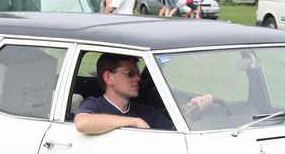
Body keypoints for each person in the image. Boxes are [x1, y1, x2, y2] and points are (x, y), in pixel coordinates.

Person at [74, 54, 213, 134]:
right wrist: (134, 122)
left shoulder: (146, 112)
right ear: (108, 78)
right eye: (130, 74)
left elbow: (173, 133)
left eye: (138, 73)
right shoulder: (95, 104)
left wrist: (194, 112)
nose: (138, 78)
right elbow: (82, 123)